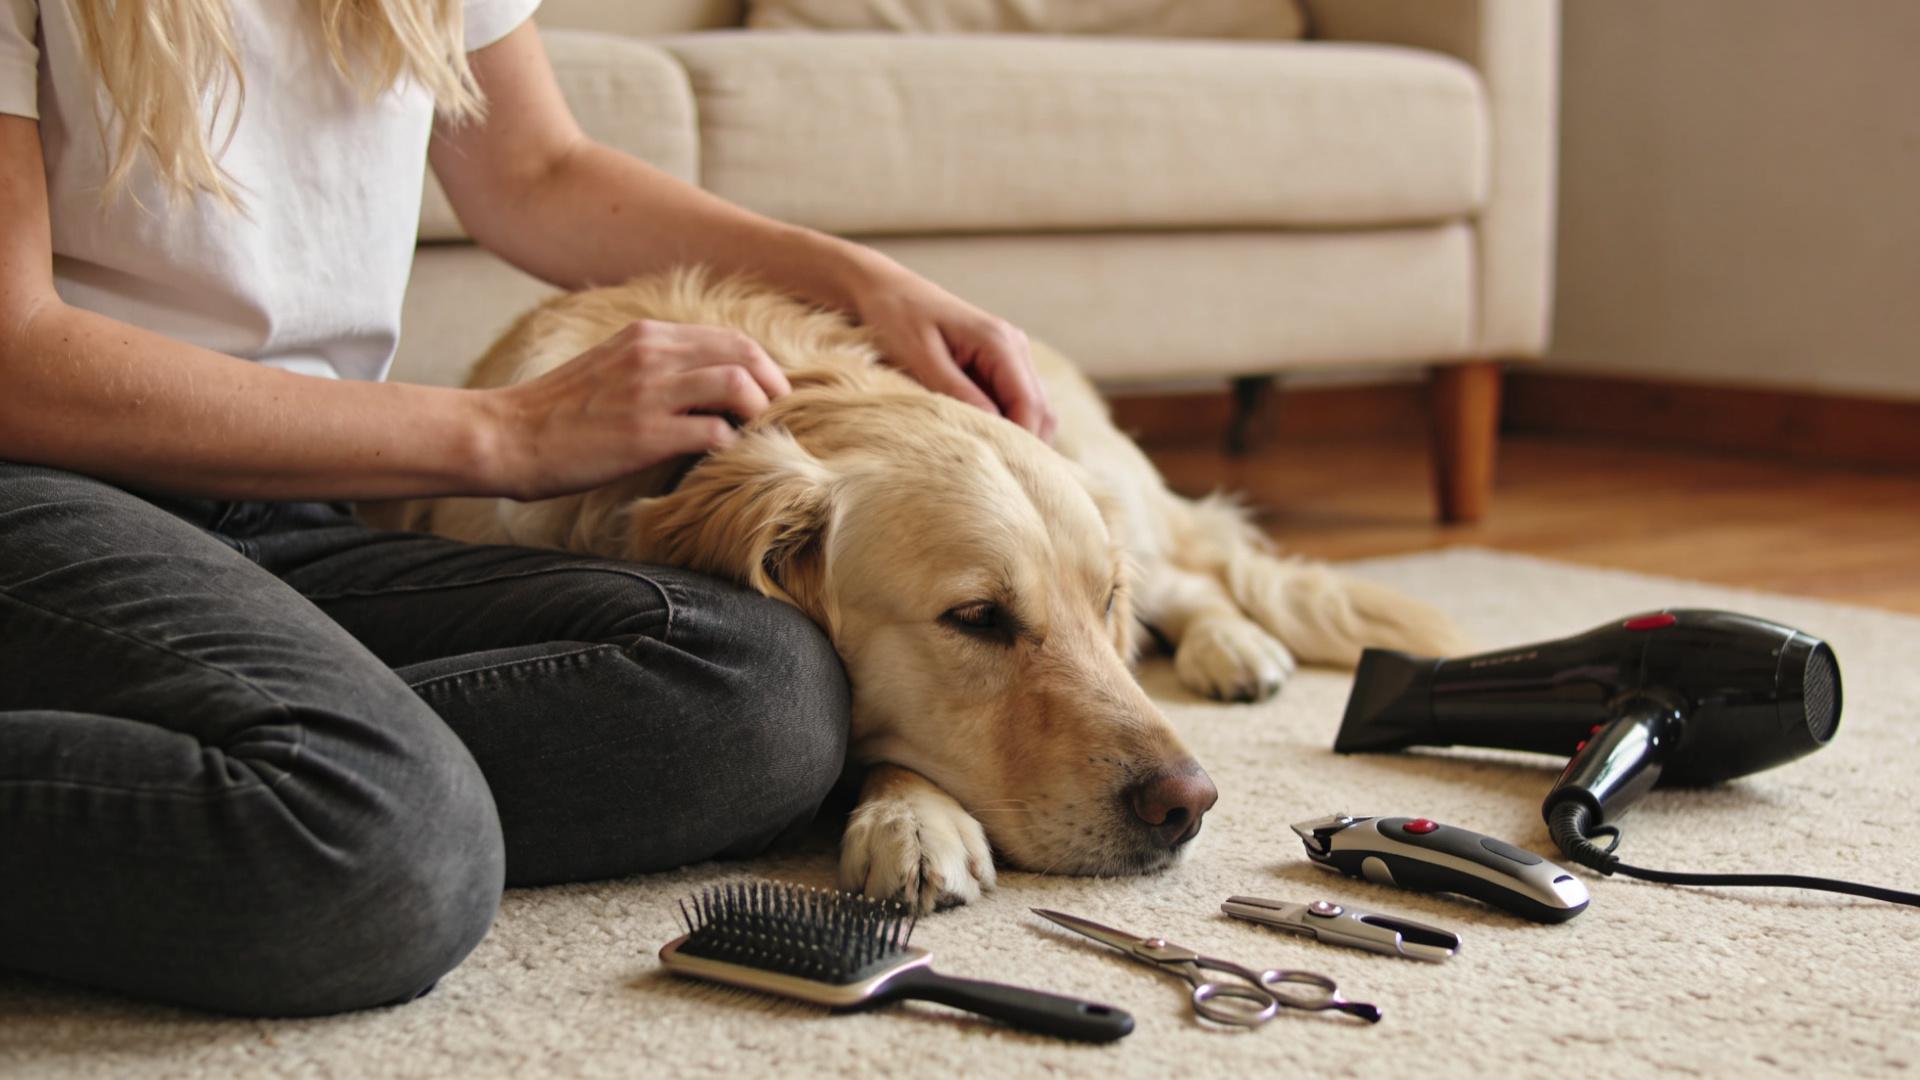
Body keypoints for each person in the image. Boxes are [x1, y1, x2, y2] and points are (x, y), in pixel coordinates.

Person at [0, 0, 1055, 1017]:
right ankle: (330, 775)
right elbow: (15, 357)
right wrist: (507, 435)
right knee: (383, 847)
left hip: (299, 511)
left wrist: (857, 282)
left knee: (771, 697)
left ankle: (231, 748)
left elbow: (533, 173)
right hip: (42, 489)